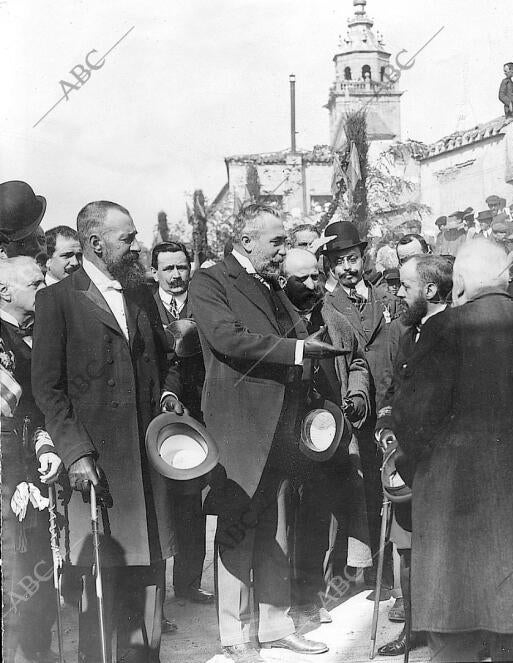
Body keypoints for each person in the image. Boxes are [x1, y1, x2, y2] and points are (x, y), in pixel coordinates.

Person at [395, 239, 513, 662]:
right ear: (506, 276)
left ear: (458, 281)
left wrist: (410, 468)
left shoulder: (441, 329)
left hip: (452, 508)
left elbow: (414, 418)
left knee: (454, 633)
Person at [32, 200, 185, 663]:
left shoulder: (140, 295)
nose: (136, 246)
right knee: (101, 586)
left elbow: (170, 359)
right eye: (127, 238)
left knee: (150, 585)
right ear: (96, 243)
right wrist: (76, 453)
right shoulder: (56, 301)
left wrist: (167, 396)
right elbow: (48, 390)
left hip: (148, 464)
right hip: (98, 470)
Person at [189, 204, 340, 662]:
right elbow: (228, 339)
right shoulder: (210, 281)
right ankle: (235, 637)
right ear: (247, 240)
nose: (284, 249)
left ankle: (275, 626)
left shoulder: (268, 283)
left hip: (279, 422)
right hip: (238, 423)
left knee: (273, 526)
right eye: (277, 241)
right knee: (237, 526)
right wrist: (298, 349)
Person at [280, 248, 372, 625]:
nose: (313, 285)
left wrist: (356, 396)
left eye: (316, 276)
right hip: (287, 435)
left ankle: (315, 597)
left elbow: (357, 361)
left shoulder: (332, 315)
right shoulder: (275, 318)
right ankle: (287, 603)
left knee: (323, 517)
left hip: (331, 433)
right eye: (302, 279)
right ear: (283, 280)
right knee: (289, 523)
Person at [374, 254, 453, 657]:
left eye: (406, 286)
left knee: (443, 549)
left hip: (438, 464)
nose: (399, 293)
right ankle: (415, 627)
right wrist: (385, 428)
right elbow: (391, 391)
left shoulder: (455, 334)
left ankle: (449, 629)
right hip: (404, 461)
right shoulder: (409, 333)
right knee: (405, 547)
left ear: (432, 290)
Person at [322, 221, 400, 600]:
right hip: (351, 410)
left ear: (362, 258)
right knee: (350, 490)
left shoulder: (386, 299)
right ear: (329, 266)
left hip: (386, 403)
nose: (347, 268)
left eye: (352, 259)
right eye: (339, 262)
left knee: (386, 486)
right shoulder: (326, 306)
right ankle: (342, 575)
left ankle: (383, 575)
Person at [1, 257, 63, 663]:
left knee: (37, 565)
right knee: (14, 564)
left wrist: (43, 444)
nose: (45, 289)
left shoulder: (37, 330)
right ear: (5, 292)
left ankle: (37, 650)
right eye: (35, 283)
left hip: (33, 458)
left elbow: (38, 404)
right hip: (8, 469)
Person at [150, 241, 213, 608]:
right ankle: (154, 597)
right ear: (154, 272)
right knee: (158, 505)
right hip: (157, 414)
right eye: (167, 268)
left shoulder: (202, 303)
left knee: (192, 503)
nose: (175, 275)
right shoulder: (143, 304)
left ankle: (188, 583)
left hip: (198, 413)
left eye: (181, 267)